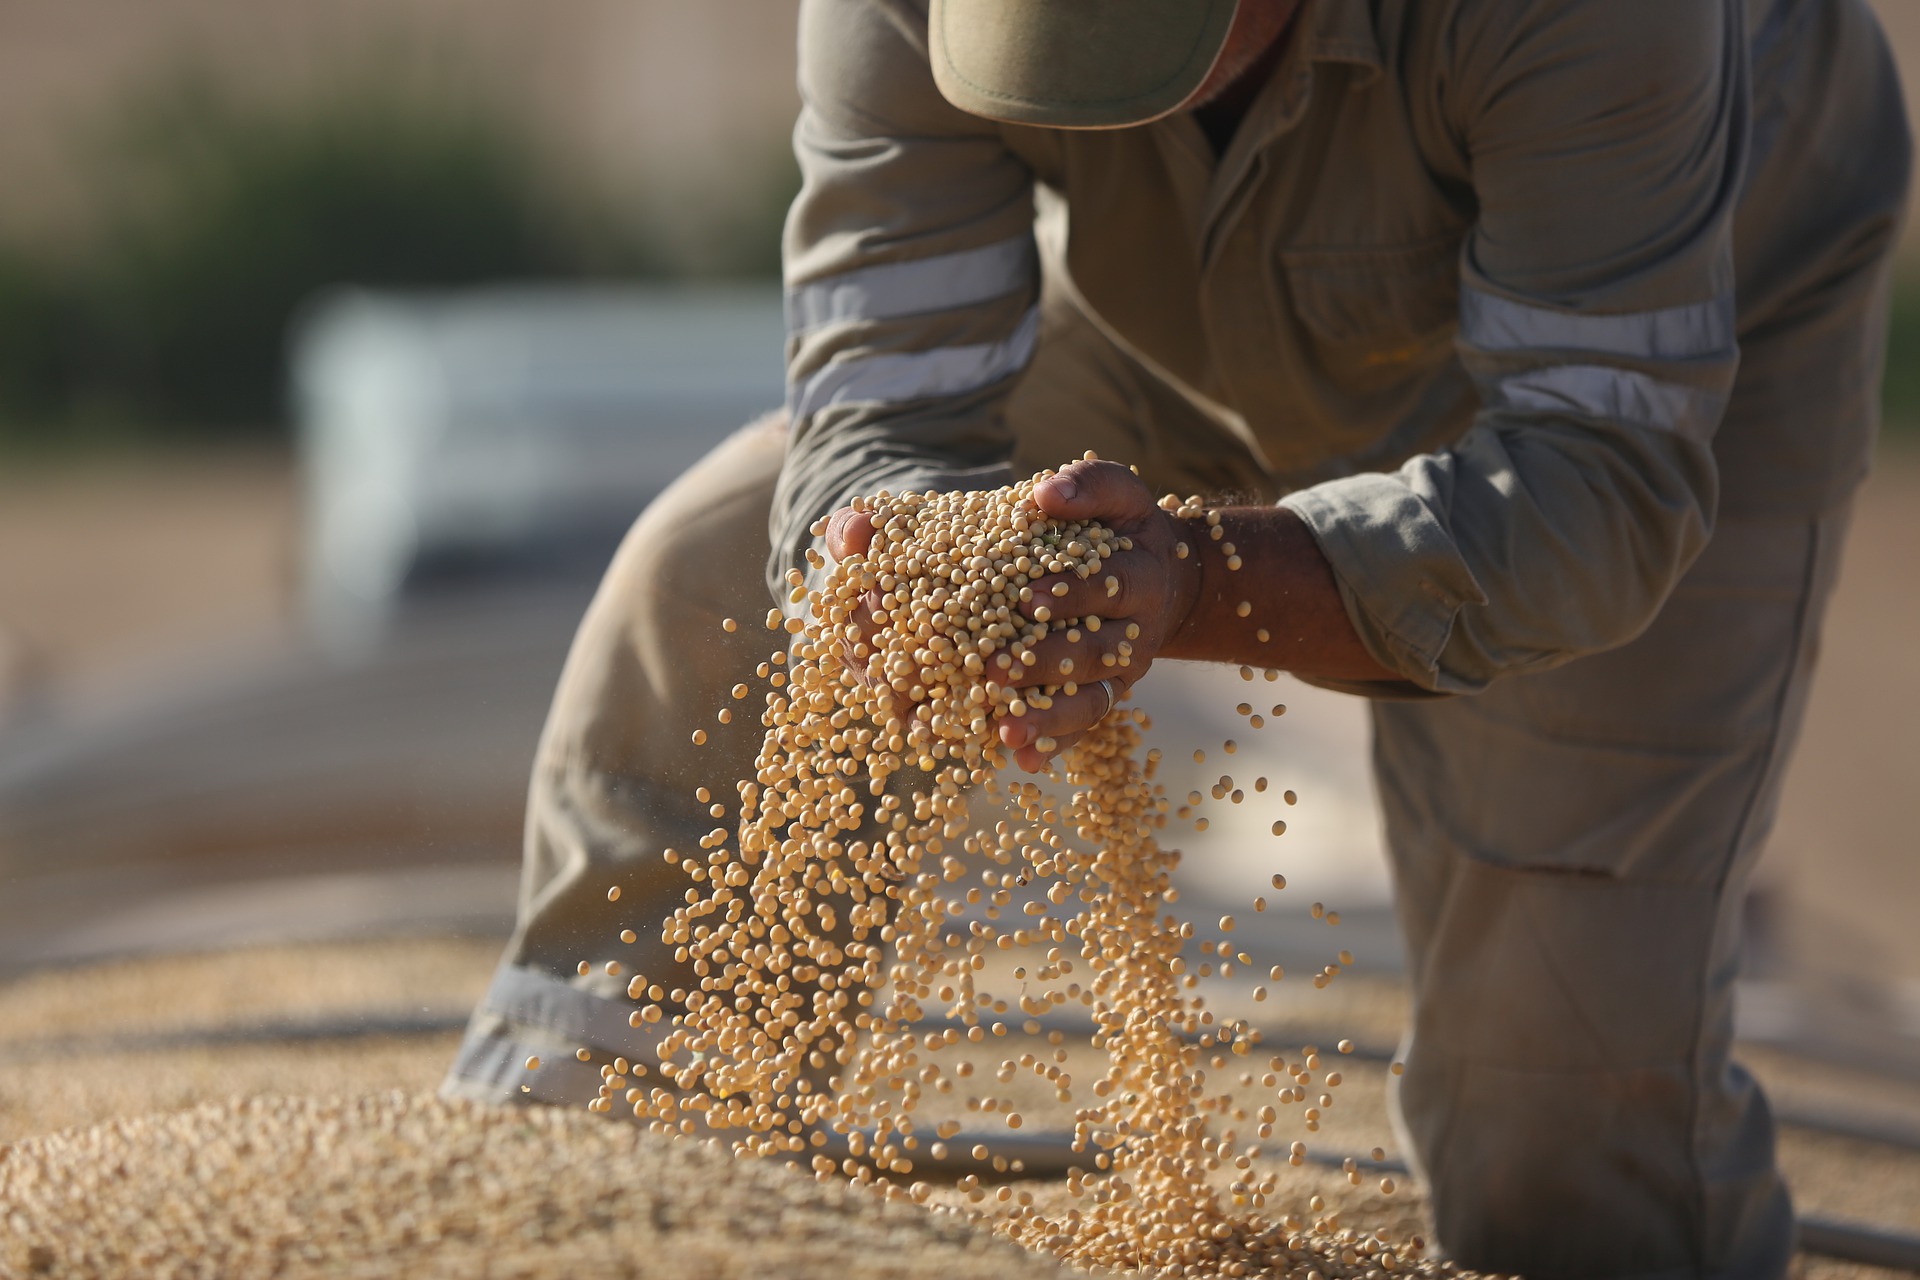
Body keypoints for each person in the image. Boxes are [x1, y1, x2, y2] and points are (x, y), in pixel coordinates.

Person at [445, 1, 1911, 1274]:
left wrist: (1195, 583)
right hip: (1172, 310)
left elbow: (1598, 488)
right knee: (711, 584)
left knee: (1557, 1138)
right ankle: (571, 1174)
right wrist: (898, 569)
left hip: (1648, 346)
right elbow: (881, 419)